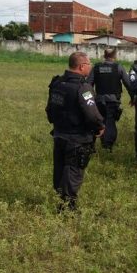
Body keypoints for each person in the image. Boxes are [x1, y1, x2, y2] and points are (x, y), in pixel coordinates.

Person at [45, 51, 105, 211]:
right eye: (89, 64)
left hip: (59, 134)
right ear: (81, 66)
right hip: (78, 138)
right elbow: (92, 114)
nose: (90, 67)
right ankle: (67, 209)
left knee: (59, 169)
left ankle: (61, 200)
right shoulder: (83, 88)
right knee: (73, 171)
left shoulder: (57, 83)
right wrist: (100, 126)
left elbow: (50, 109)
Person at [87, 48, 133, 151]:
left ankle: (93, 145)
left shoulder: (96, 67)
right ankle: (108, 146)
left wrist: (90, 99)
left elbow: (88, 84)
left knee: (99, 122)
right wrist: (133, 97)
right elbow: (128, 84)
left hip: (98, 100)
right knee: (110, 122)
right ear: (115, 56)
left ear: (104, 55)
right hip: (113, 101)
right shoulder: (119, 67)